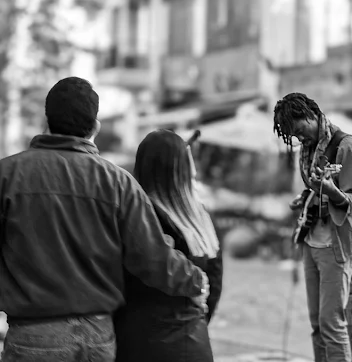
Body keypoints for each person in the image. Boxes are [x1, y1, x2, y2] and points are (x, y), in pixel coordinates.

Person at [0, 77, 209, 362]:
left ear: (46, 120)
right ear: (95, 127)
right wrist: (195, 281)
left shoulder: (7, 176)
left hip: (33, 335)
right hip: (96, 337)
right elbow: (153, 258)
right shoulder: (119, 183)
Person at [273, 93, 352, 362]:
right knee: (317, 325)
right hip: (311, 242)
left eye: (300, 131)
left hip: (335, 247)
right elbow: (315, 189)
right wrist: (306, 197)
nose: (299, 139)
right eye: (294, 136)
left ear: (312, 114)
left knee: (332, 324)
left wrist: (331, 190)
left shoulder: (345, 146)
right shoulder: (308, 151)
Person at [114, 129, 222, 362]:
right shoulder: (199, 221)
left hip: (141, 344)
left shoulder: (138, 218)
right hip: (193, 343)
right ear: (184, 170)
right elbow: (214, 284)